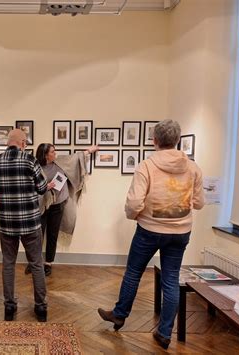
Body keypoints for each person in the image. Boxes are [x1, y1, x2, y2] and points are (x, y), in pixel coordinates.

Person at [97, 119, 204, 350]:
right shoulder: (193, 167)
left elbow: (134, 202)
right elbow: (199, 203)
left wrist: (133, 215)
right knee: (171, 279)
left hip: (149, 230)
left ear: (154, 140)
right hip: (180, 232)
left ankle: (119, 314)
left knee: (134, 272)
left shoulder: (147, 165)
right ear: (177, 139)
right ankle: (165, 333)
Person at [0, 129, 54, 322]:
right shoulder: (30, 161)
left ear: (8, 143)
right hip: (30, 222)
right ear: (23, 143)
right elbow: (42, 188)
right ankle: (40, 307)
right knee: (36, 263)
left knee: (8, 263)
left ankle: (9, 306)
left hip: (7, 223)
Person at [25, 143, 98, 276]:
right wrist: (44, 186)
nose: (55, 154)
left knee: (52, 234)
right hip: (40, 205)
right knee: (37, 235)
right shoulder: (36, 167)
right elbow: (29, 185)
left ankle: (48, 263)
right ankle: (33, 262)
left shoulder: (60, 163)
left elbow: (75, 158)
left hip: (58, 205)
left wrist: (89, 150)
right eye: (53, 152)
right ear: (45, 154)